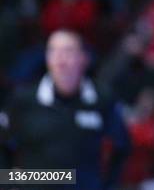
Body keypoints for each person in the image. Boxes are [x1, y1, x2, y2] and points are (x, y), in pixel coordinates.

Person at [0, 29, 131, 190]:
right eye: (53, 51)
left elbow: (122, 146)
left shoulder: (102, 99)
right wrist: (12, 182)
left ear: (84, 58)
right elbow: (3, 146)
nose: (60, 59)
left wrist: (107, 185)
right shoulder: (23, 100)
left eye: (68, 51)